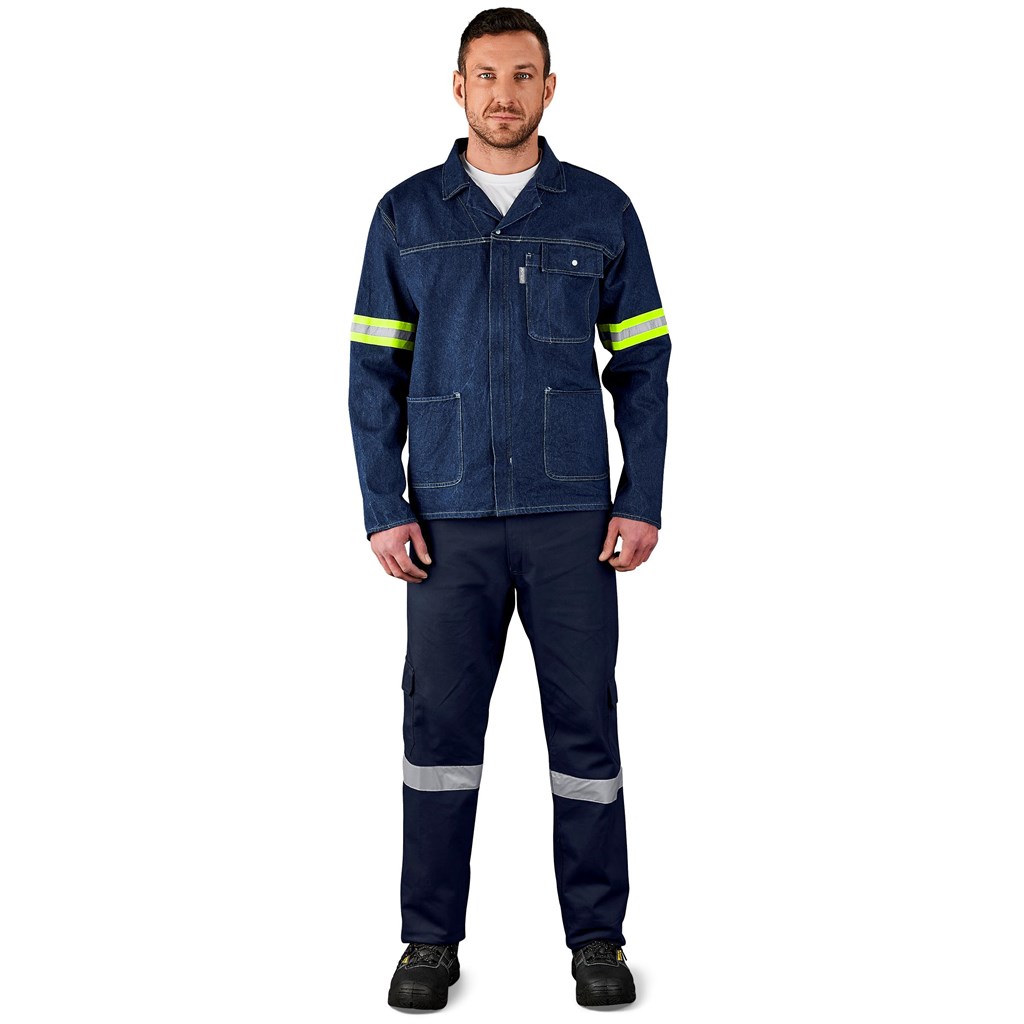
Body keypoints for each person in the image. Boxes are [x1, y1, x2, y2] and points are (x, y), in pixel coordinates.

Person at [348, 7, 671, 1011]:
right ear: (458, 87)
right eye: (485, 75)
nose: (503, 93)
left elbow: (645, 363)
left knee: (585, 732)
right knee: (438, 733)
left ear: (549, 87)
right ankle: (428, 940)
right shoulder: (406, 216)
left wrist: (642, 496)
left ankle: (599, 939)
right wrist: (383, 503)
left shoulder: (600, 210)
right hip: (445, 522)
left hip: (573, 517)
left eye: (522, 75)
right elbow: (371, 374)